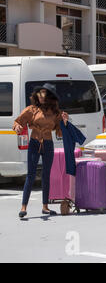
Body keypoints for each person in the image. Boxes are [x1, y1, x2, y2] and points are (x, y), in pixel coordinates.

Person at [13, 83, 69, 219]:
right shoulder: (31, 110)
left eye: (45, 93)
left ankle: (45, 207)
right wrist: (18, 127)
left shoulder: (55, 113)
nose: (41, 95)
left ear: (50, 96)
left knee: (46, 175)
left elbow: (60, 134)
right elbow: (16, 123)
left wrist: (65, 123)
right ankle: (23, 207)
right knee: (30, 175)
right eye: (40, 93)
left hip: (48, 144)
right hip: (34, 142)